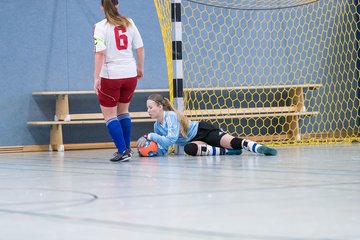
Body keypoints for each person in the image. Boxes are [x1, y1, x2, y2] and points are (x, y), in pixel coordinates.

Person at [136, 94, 277, 157]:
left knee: (233, 142)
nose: (148, 111)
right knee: (190, 149)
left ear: (160, 107)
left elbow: (171, 139)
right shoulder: (157, 127)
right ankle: (228, 153)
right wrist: (151, 151)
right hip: (194, 140)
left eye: (150, 107)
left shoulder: (170, 116)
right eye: (147, 108)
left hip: (204, 131)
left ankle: (260, 148)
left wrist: (150, 136)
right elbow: (165, 147)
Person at [93, 0, 144, 162]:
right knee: (123, 112)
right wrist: (140, 68)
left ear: (102, 7)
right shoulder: (129, 22)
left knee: (110, 116)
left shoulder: (100, 27)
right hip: (130, 74)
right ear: (117, 5)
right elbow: (140, 47)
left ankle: (123, 151)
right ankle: (127, 148)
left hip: (111, 75)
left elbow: (99, 53)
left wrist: (96, 77)